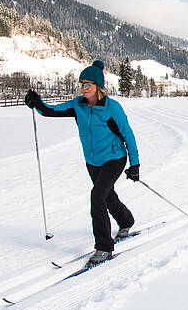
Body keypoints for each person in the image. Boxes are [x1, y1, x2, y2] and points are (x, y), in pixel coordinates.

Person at [24, 60, 140, 266]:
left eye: (88, 84)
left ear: (98, 86)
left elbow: (128, 136)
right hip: (93, 161)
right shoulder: (78, 105)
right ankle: (126, 221)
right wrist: (37, 103)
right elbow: (52, 111)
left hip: (114, 158)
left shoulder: (112, 108)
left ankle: (104, 247)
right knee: (106, 195)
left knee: (97, 197)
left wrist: (135, 165)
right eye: (82, 84)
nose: (84, 88)